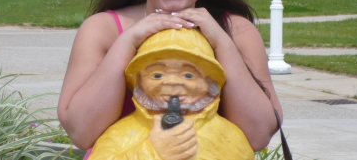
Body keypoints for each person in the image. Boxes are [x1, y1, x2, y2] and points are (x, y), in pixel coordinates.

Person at [57, 0, 282, 158]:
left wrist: (223, 44)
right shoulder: (103, 29)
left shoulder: (237, 31)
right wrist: (128, 42)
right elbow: (81, 132)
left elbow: (259, 134)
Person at [87, 28, 254, 160]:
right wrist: (150, 152)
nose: (172, 82)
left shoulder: (228, 136)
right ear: (138, 81)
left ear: (210, 83)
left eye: (189, 75)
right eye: (157, 75)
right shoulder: (120, 134)